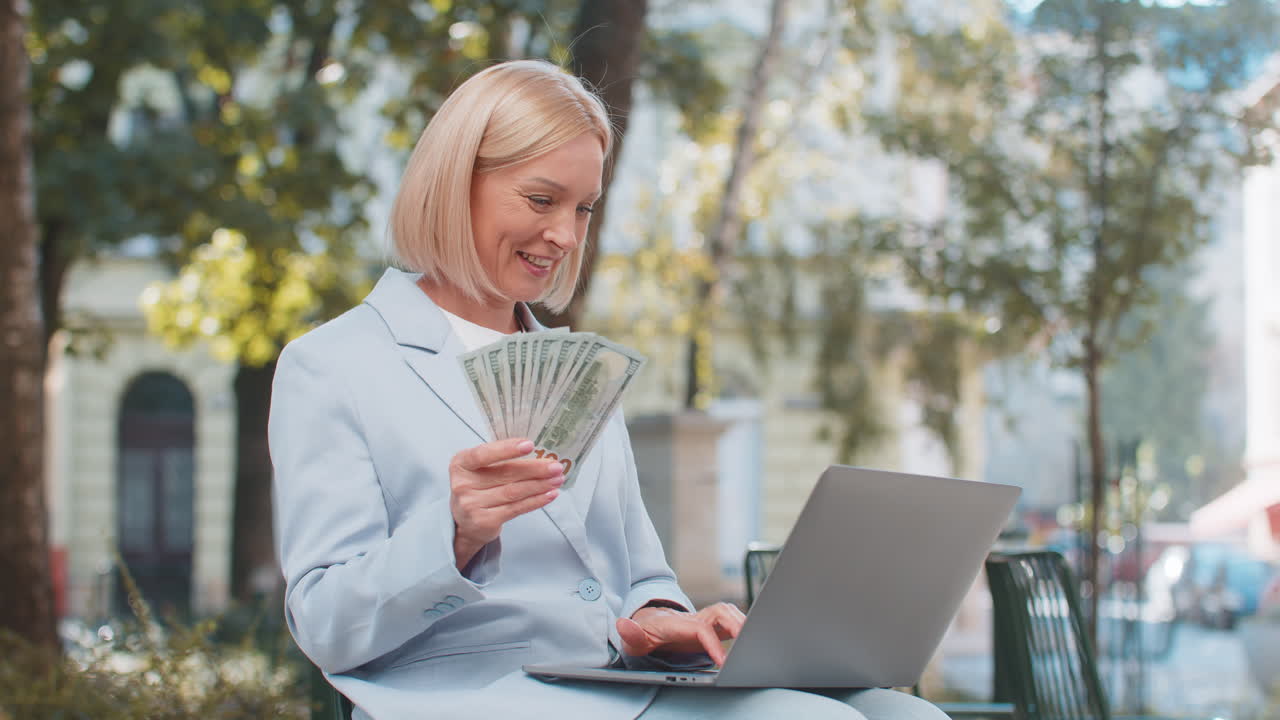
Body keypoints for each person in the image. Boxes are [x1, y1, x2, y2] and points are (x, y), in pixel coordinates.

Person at [269, 59, 951, 720]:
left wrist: (663, 621)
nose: (566, 235)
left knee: (905, 715)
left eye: (584, 208)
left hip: (613, 684)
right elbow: (326, 625)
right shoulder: (333, 366)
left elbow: (639, 575)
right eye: (542, 199)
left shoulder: (581, 368)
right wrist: (455, 533)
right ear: (454, 183)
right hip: (474, 695)